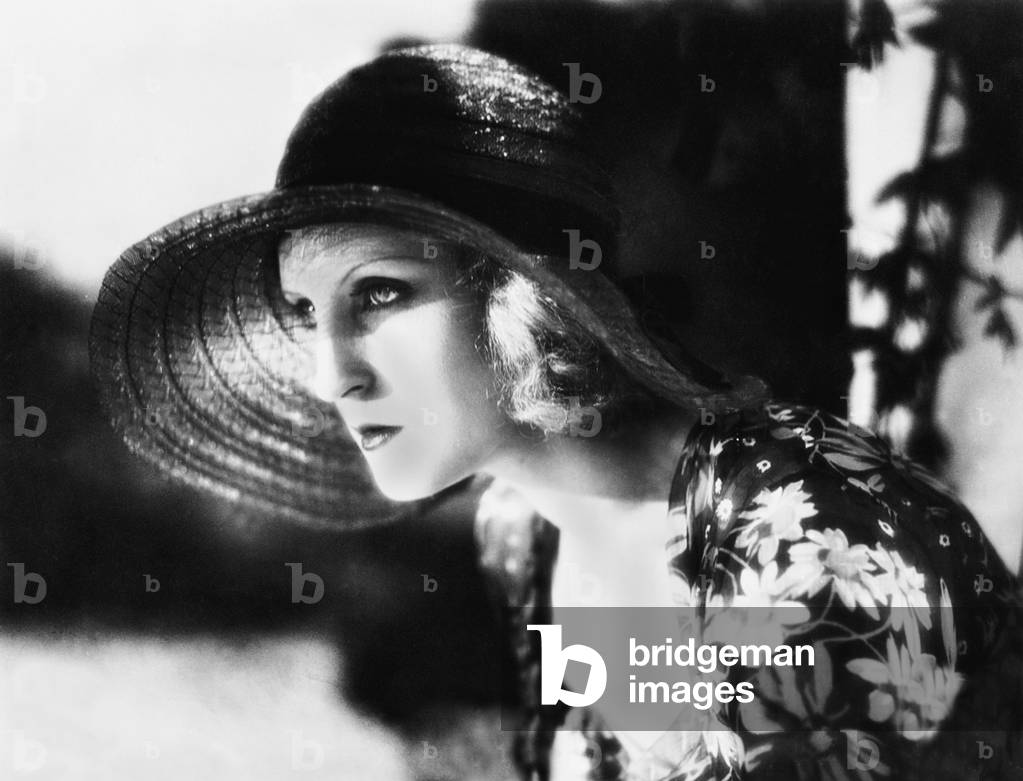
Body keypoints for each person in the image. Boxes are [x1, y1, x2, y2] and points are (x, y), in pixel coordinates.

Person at [90, 44, 1023, 780]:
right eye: (307, 314)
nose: (333, 374)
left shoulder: (804, 524)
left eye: (377, 294)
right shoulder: (519, 528)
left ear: (525, 296)